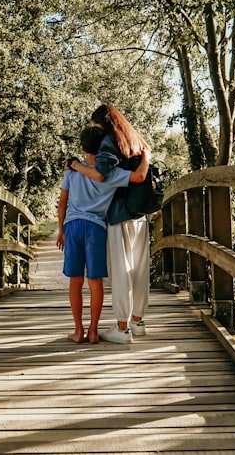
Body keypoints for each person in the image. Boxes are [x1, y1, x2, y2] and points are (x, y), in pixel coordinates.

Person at [57, 125, 150, 344]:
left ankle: (78, 331)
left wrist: (60, 230)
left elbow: (62, 203)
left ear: (82, 146)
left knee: (75, 280)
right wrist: (146, 155)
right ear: (106, 148)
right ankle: (93, 331)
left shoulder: (73, 170)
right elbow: (139, 177)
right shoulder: (110, 174)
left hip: (73, 227)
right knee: (95, 281)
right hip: (96, 228)